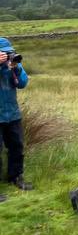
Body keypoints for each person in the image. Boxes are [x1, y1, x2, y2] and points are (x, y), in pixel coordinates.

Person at [0, 37, 30, 198]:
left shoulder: (13, 65)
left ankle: (16, 177)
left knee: (17, 147)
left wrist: (15, 68)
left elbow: (23, 83)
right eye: (5, 53)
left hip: (12, 114)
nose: (8, 56)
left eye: (9, 53)